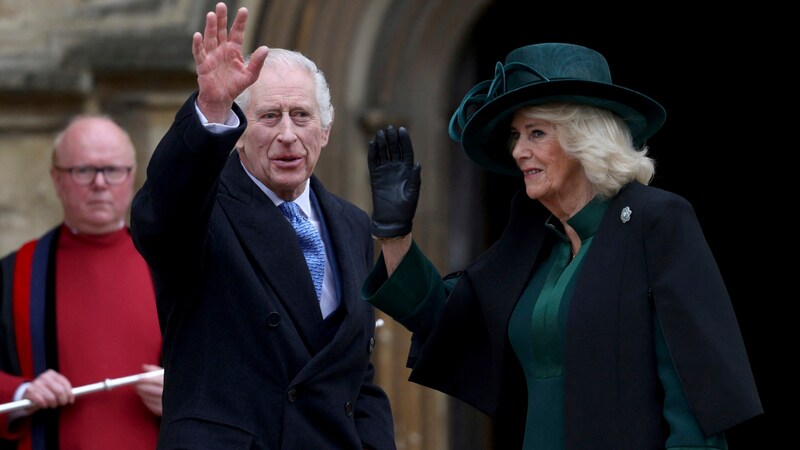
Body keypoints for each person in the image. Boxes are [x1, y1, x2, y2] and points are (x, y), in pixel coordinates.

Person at [362, 42, 763, 449]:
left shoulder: (655, 220)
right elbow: (442, 316)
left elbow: (694, 394)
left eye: (537, 133)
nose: (518, 151)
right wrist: (395, 231)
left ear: (585, 138)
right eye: (516, 135)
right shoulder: (534, 240)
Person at [129, 3, 395, 449]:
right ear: (240, 130)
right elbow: (160, 219)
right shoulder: (205, 208)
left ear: (325, 131)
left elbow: (355, 377)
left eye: (302, 116)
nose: (287, 134)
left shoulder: (352, 224)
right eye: (269, 116)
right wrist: (211, 110)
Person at [0, 114, 163, 450]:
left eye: (113, 170)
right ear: (57, 179)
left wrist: (185, 394)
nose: (100, 183)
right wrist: (20, 392)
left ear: (132, 178)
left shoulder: (171, 268)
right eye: (83, 170)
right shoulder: (15, 273)